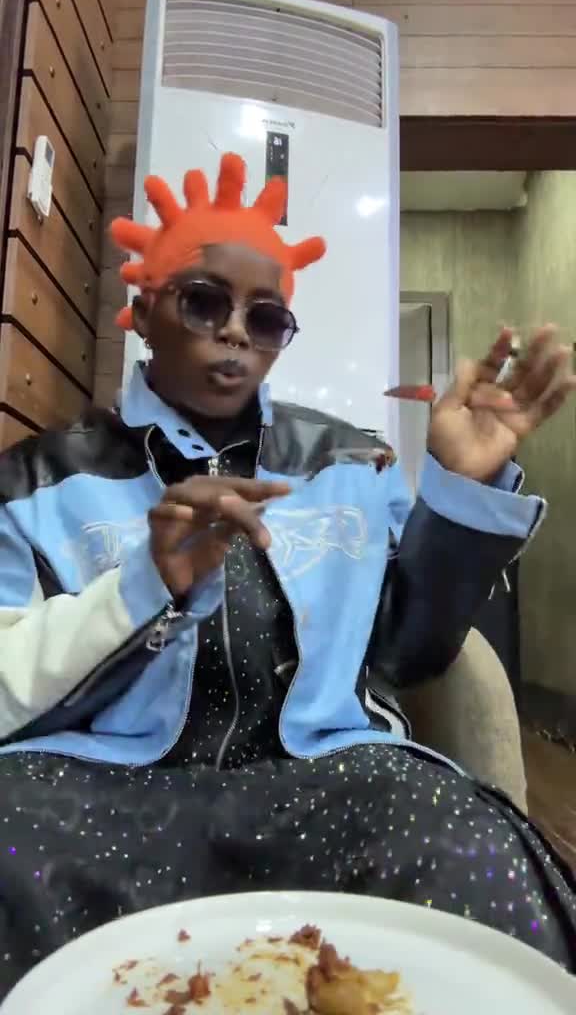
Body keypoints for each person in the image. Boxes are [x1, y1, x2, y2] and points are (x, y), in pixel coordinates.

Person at [0, 153, 574, 996]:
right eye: (204, 301)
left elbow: (410, 653)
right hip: (105, 788)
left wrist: (461, 489)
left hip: (327, 779)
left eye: (265, 318)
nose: (236, 331)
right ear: (144, 310)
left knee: (467, 845)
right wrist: (144, 586)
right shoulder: (37, 481)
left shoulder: (350, 462)